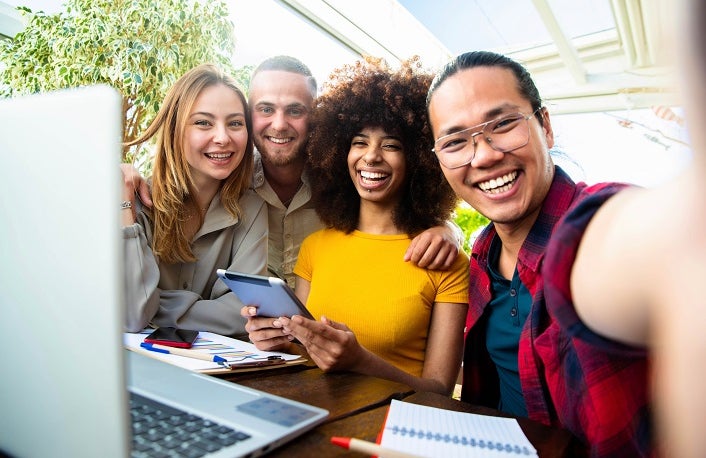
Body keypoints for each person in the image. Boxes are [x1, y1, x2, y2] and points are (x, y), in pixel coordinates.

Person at [424, 15, 706, 450]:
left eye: (502, 125)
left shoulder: (593, 228)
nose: (482, 156)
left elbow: (646, 240)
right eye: (456, 141)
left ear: (546, 126)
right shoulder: (480, 256)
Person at [126, 56, 463, 289]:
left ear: (318, 116)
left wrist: (448, 233)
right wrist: (124, 175)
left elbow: (410, 206)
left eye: (296, 111)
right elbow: (175, 174)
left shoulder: (348, 177)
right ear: (248, 115)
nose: (279, 124)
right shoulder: (226, 176)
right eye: (265, 109)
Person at [242, 57, 470, 395]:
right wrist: (274, 340)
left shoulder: (445, 261)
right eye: (359, 142)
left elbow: (437, 391)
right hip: (314, 416)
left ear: (419, 159)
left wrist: (360, 361)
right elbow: (305, 354)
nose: (372, 156)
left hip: (393, 431)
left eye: (391, 145)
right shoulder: (316, 246)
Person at [121, 63, 267, 338]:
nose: (223, 138)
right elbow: (133, 315)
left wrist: (155, 305)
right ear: (176, 129)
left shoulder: (252, 209)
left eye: (235, 123)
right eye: (203, 122)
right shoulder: (133, 203)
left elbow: (243, 314)